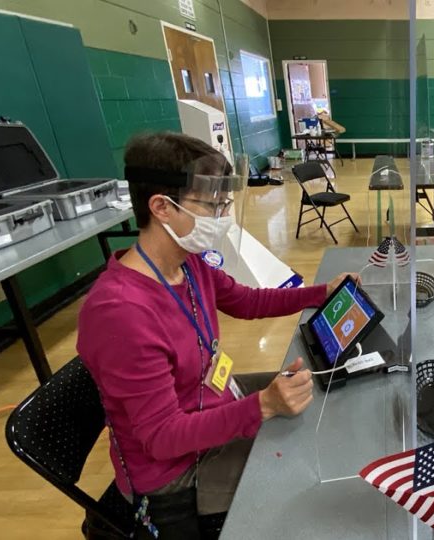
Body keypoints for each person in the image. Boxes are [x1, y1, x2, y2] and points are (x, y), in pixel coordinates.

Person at [77, 132, 357, 539]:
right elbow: (161, 437)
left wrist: (321, 292)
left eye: (224, 203)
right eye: (212, 205)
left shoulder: (187, 264)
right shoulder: (120, 312)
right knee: (306, 468)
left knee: (324, 392)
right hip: (175, 474)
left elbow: (246, 301)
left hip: (212, 403)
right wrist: (260, 407)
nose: (222, 215)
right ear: (161, 208)